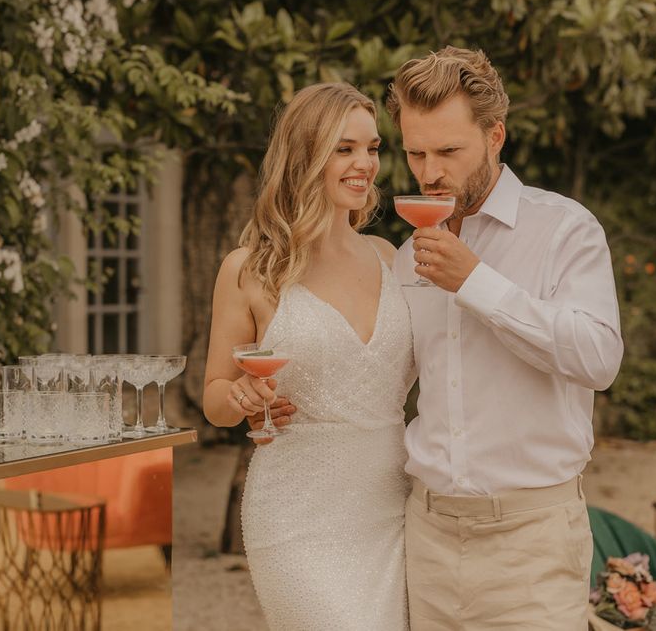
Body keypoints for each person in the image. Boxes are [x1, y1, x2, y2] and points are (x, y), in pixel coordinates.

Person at [386, 46, 624, 630]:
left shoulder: (566, 229)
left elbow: (599, 359)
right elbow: (386, 384)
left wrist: (476, 283)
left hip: (533, 541)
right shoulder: (404, 258)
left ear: (495, 137)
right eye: (415, 152)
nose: (429, 172)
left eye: (448, 151)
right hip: (428, 535)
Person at [202, 82, 415, 630]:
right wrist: (242, 395)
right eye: (344, 149)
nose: (364, 163)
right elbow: (215, 399)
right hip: (297, 516)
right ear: (305, 155)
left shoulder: (391, 258)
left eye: (372, 148)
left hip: (395, 511)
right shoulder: (250, 268)